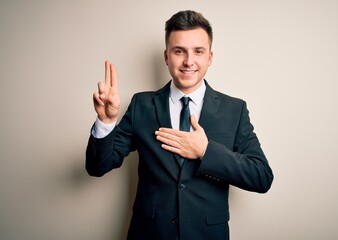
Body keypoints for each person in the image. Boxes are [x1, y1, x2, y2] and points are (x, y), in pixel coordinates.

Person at [86, 10, 273, 240]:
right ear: (166, 56)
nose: (188, 61)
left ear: (210, 57)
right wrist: (105, 121)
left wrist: (206, 151)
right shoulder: (141, 105)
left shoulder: (234, 110)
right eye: (179, 51)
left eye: (198, 51)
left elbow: (262, 177)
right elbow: (97, 167)